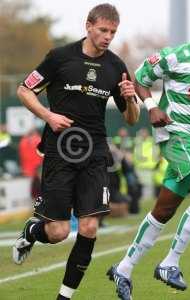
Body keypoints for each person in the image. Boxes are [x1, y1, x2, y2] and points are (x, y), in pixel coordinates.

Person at [107, 11, 190, 300]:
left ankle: (124, 268)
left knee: (163, 211)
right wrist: (152, 107)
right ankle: (170, 263)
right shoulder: (174, 57)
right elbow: (141, 78)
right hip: (176, 136)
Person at [12, 4, 139, 300]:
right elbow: (23, 90)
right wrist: (48, 116)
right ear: (88, 26)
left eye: (113, 32)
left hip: (95, 153)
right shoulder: (60, 57)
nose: (108, 37)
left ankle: (64, 297)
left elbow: (131, 118)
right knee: (56, 233)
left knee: (89, 226)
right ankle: (32, 233)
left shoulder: (116, 67)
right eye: (103, 30)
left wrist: (131, 100)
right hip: (60, 151)